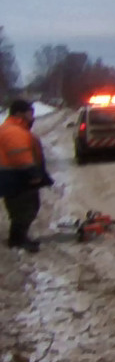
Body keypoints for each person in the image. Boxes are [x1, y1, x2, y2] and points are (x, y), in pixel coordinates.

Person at [0, 100, 52, 252]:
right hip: (16, 179)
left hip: (16, 178)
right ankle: (17, 240)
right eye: (30, 113)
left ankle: (19, 237)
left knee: (26, 208)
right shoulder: (13, 131)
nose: (32, 117)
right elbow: (20, 155)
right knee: (23, 210)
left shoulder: (15, 129)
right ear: (19, 114)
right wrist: (34, 173)